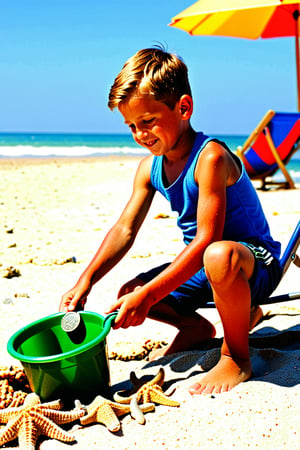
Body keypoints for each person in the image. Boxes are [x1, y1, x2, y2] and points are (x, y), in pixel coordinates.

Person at [60, 46, 282, 395]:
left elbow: (208, 240)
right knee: (129, 291)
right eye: (131, 126)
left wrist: (150, 295)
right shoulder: (150, 168)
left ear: (183, 108)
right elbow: (125, 229)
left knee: (216, 257)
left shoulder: (210, 157)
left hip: (253, 264)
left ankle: (237, 356)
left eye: (148, 121)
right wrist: (85, 281)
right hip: (205, 267)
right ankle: (198, 329)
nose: (140, 134)